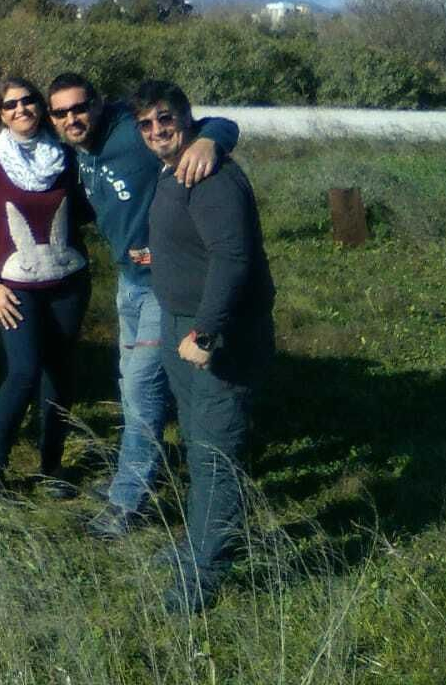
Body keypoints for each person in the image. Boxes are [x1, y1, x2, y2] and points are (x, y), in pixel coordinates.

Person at [44, 72, 238, 539]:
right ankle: (132, 477)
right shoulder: (79, 150)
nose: (74, 117)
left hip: (161, 287)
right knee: (129, 383)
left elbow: (221, 124)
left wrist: (210, 141)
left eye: (80, 106)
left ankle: (128, 501)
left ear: (98, 102)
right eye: (62, 112)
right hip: (128, 284)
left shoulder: (130, 130)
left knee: (140, 390)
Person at [133, 80, 275, 614]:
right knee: (197, 445)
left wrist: (208, 331)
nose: (156, 131)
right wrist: (161, 258)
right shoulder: (174, 172)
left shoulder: (210, 176)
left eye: (164, 119)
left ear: (187, 118)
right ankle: (198, 548)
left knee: (216, 455)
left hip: (213, 334)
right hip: (179, 325)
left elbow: (233, 259)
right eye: (146, 124)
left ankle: (206, 575)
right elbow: (197, 243)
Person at [0, 76, 91, 493]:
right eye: (11, 104)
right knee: (23, 371)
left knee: (60, 372)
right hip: (13, 289)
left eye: (28, 101)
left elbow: (86, 210)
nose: (21, 109)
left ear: (41, 105)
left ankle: (51, 467)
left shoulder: (66, 157)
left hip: (68, 282)